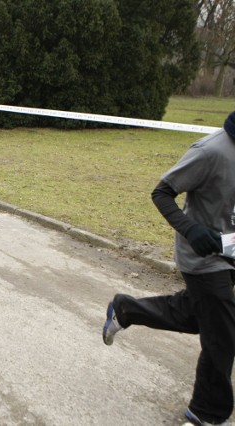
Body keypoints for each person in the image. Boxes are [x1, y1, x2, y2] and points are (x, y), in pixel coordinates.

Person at [103, 112, 235, 425]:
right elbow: (161, 193)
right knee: (224, 334)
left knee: (198, 315)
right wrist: (190, 229)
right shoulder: (210, 151)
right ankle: (206, 412)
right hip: (202, 256)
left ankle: (125, 309)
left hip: (231, 248)